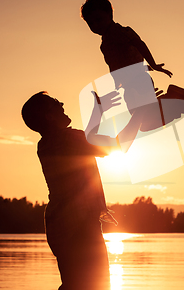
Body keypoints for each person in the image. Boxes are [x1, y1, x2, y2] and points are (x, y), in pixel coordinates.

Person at [21, 90, 121, 290]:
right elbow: (111, 145)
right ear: (49, 116)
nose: (62, 103)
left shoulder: (47, 143)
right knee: (94, 285)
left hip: (62, 223)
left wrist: (99, 113)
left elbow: (88, 143)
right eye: (55, 102)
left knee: (75, 284)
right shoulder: (66, 139)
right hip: (79, 224)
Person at [80, 0, 184, 113]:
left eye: (98, 19)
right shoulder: (105, 43)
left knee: (144, 115)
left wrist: (153, 64)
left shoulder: (117, 32)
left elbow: (139, 44)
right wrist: (118, 80)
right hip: (129, 82)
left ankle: (176, 97)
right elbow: (117, 62)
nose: (96, 25)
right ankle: (177, 99)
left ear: (109, 14)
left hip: (137, 80)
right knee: (145, 114)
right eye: (91, 23)